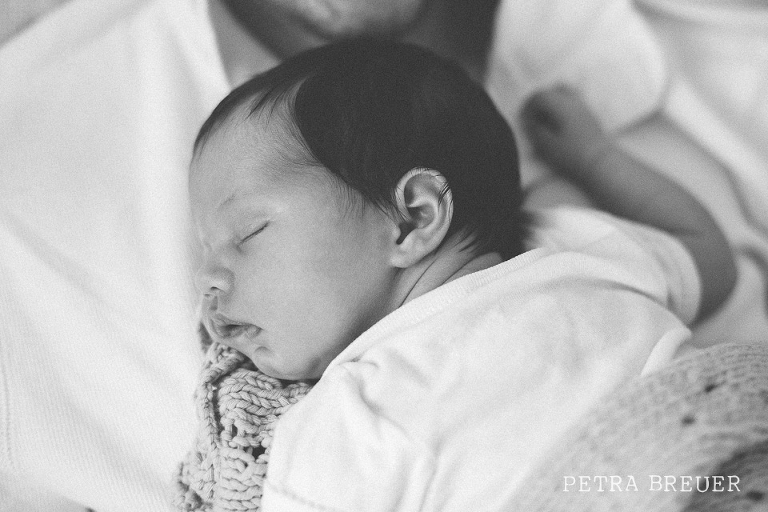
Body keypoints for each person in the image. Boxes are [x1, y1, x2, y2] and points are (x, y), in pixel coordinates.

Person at [189, 38, 735, 511]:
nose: (208, 276)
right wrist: (593, 159)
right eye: (205, 249)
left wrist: (593, 157)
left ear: (412, 220)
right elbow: (707, 255)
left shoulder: (354, 420)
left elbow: (712, 265)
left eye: (249, 233)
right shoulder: (579, 250)